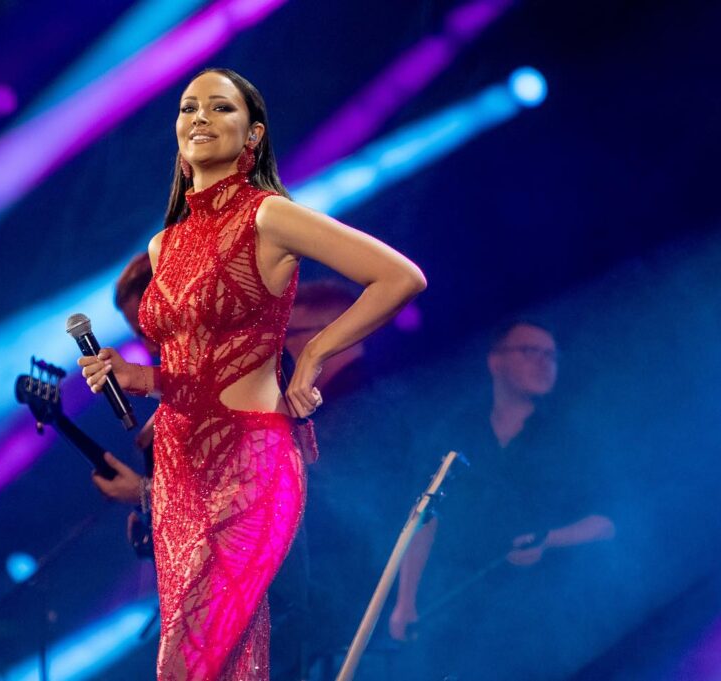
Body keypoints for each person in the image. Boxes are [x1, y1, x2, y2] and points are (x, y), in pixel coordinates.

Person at [78, 67, 426, 680]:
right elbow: (196, 372)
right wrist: (141, 378)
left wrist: (313, 354)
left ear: (254, 134)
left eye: (221, 107)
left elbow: (400, 277)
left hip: (250, 464)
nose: (200, 117)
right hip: (180, 474)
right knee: (228, 668)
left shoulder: (269, 216)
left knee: (187, 664)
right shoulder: (164, 247)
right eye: (189, 107)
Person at [387, 320, 616, 679]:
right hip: (454, 605)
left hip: (537, 613)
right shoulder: (457, 428)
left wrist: (548, 539)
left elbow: (606, 523)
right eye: (531, 351)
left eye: (551, 356)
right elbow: (425, 517)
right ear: (496, 361)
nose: (544, 363)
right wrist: (405, 600)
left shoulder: (569, 438)